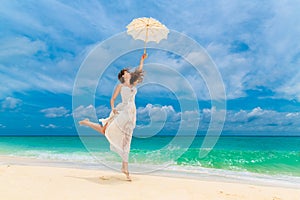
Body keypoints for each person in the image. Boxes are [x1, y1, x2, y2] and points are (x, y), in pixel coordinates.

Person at [79, 53, 147, 181]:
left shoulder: (133, 84)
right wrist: (113, 108)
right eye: (126, 72)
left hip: (131, 113)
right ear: (123, 75)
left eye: (128, 72)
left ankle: (125, 168)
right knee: (106, 130)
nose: (129, 72)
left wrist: (141, 60)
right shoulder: (120, 86)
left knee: (127, 140)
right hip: (121, 111)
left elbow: (139, 71)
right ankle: (87, 123)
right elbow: (113, 99)